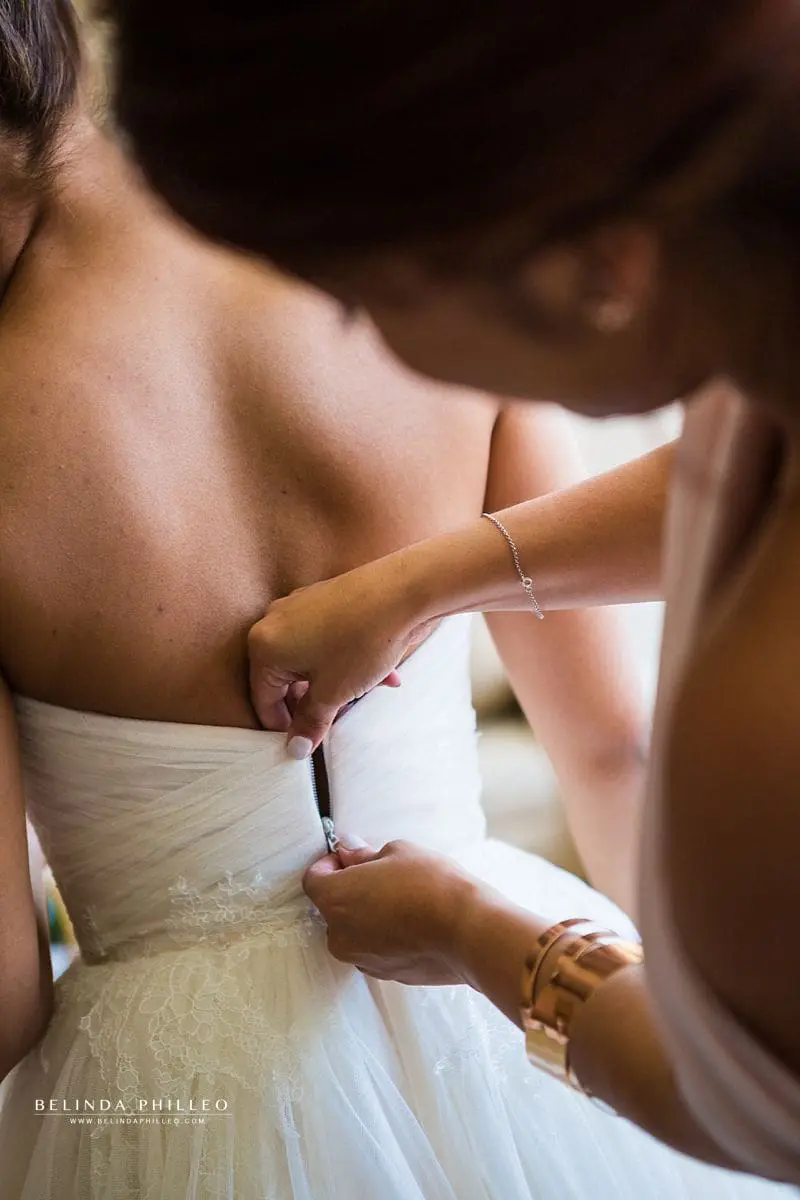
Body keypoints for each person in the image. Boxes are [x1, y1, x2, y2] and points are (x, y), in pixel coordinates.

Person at [1, 6, 777, 1199]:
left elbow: (5, 994)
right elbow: (618, 742)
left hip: (180, 1107)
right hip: (524, 1015)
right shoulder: (372, 216)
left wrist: (491, 945)